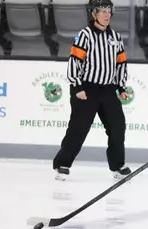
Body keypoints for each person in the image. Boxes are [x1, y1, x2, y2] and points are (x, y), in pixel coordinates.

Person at [53, 0, 131, 181]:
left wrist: (121, 86)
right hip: (86, 88)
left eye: (108, 11)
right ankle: (62, 163)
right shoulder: (85, 35)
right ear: (94, 14)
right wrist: (77, 86)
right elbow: (75, 62)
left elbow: (121, 63)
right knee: (78, 129)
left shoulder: (115, 37)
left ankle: (118, 165)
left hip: (108, 90)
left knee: (117, 126)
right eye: (102, 11)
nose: (106, 14)